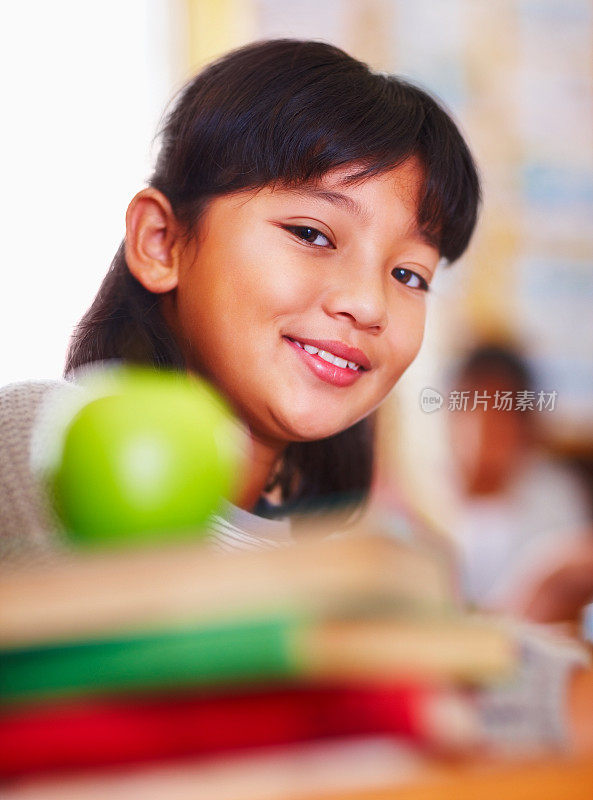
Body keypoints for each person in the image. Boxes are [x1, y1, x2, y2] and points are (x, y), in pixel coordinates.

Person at [0, 39, 591, 752]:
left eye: (408, 275)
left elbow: (501, 694)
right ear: (161, 242)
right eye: (311, 232)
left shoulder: (349, 550)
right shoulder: (34, 445)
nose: (366, 303)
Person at [448, 344, 592, 612]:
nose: (484, 427)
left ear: (525, 424)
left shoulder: (554, 495)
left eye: (501, 412)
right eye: (474, 406)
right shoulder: (424, 492)